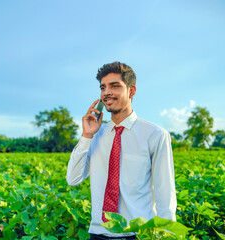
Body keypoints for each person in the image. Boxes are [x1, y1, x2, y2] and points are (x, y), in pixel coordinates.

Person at [66, 61, 177, 239]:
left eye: (114, 86)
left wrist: (168, 235)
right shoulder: (95, 135)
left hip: (137, 234)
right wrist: (87, 135)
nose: (106, 92)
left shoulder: (155, 135)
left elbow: (165, 193)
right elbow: (73, 179)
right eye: (103, 87)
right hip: (98, 233)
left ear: (131, 91)